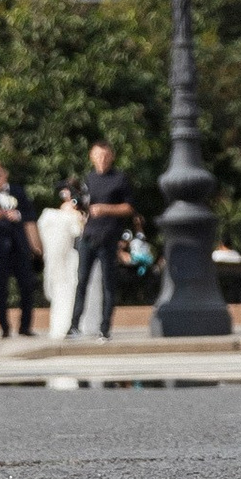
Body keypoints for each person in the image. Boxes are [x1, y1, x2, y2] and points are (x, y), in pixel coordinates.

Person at [67, 143, 138, 337]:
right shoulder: (89, 179)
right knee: (82, 281)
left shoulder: (120, 179)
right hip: (88, 236)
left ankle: (104, 328)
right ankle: (74, 326)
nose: (102, 160)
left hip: (108, 237)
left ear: (112, 157)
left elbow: (129, 207)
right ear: (92, 157)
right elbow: (84, 205)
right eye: (98, 156)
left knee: (108, 284)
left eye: (105, 156)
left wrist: (105, 209)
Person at [0, 162, 37, 340]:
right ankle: (4, 327)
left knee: (26, 286)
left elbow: (30, 215)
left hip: (19, 247)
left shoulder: (18, 192)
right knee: (0, 289)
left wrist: (17, 216)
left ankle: (25, 326)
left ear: (5, 175)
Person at [37, 178, 84, 341]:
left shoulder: (79, 210)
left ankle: (75, 324)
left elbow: (79, 230)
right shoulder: (55, 214)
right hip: (62, 260)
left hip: (74, 256)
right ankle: (61, 325)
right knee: (62, 293)